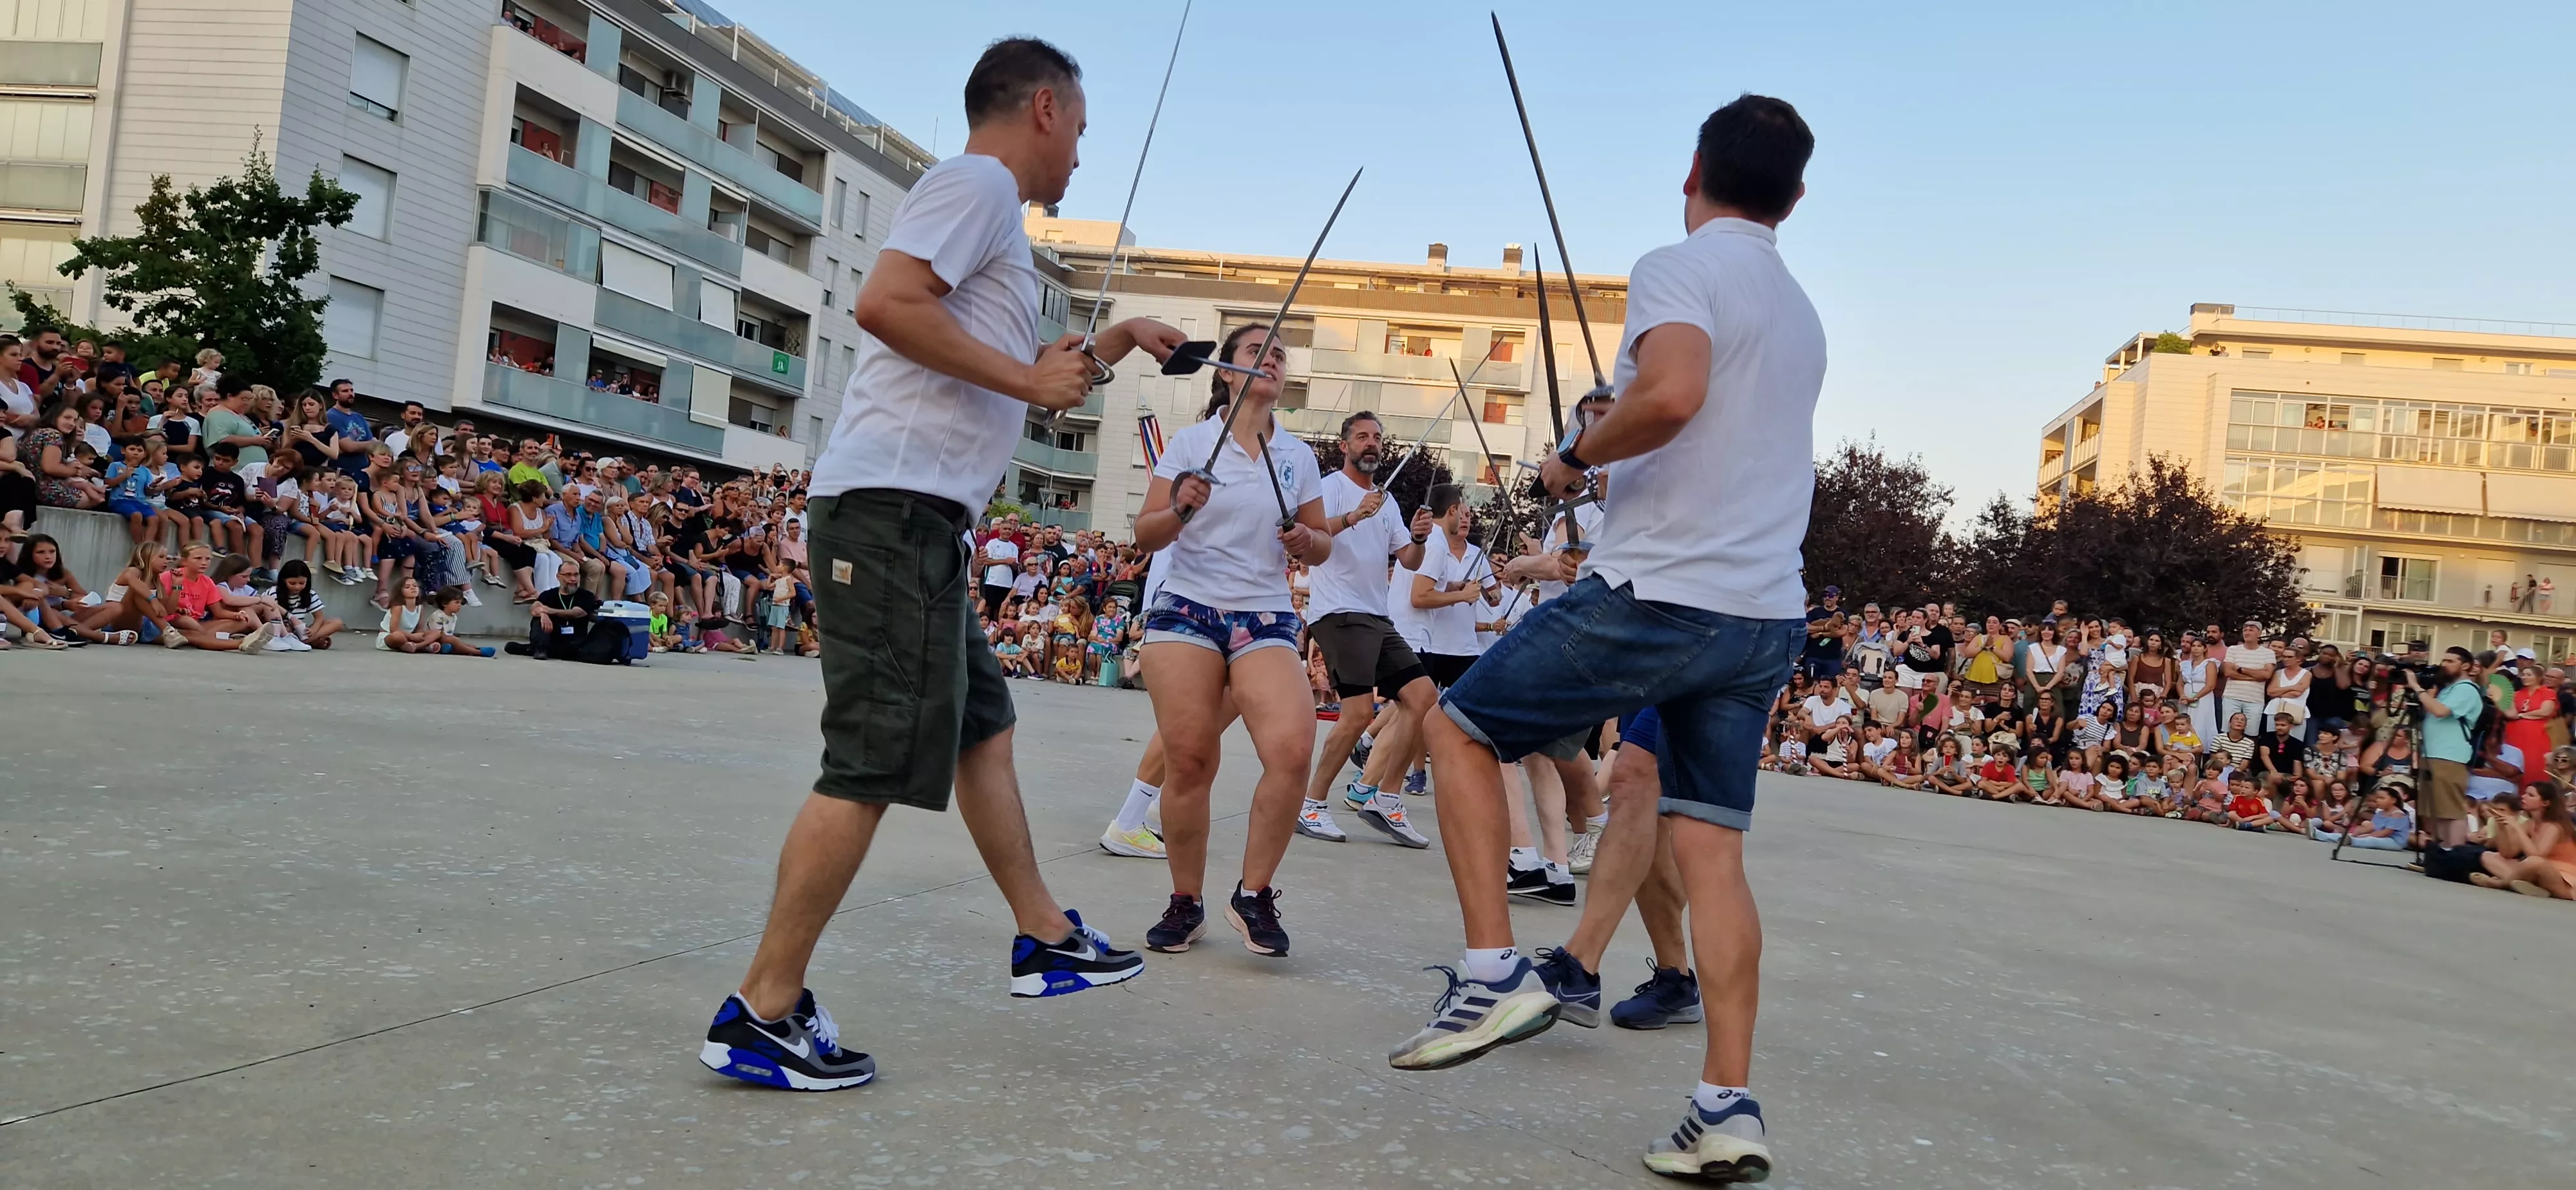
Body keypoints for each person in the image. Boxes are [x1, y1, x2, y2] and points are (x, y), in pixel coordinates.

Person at [699, 39, 1182, 1093]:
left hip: (924, 522)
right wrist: (1028, 372)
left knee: (984, 729)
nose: (1081, 160)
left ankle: (1044, 933)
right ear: (1045, 109)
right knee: (871, 761)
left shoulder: (991, 214)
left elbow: (1014, 373)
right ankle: (763, 1010)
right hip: (892, 515)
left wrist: (1113, 343)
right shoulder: (977, 185)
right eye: (1083, 134)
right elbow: (886, 303)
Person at [1385, 95, 1820, 1184]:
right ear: (1796, 196)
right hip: (1764, 610)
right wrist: (1622, 454)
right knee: (1711, 849)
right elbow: (1705, 433)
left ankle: (1495, 971)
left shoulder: (1680, 266)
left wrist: (1577, 451)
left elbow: (1671, 394)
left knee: (1459, 728)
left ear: (1693, 169)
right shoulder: (1802, 308)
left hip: (1664, 594)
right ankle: (1727, 1102)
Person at [1130, 319, 1332, 958]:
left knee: (1293, 750)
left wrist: (1307, 542)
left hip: (1265, 616)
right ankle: (1184, 901)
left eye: (1278, 355)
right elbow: (1147, 535)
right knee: (1189, 758)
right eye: (1255, 352)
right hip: (1188, 609)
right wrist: (1181, 508)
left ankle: (1254, 892)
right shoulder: (1191, 443)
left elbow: (1321, 544)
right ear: (1226, 372)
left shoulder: (1298, 458)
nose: (1270, 361)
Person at [1294, 410, 1437, 847]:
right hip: (1338, 612)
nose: (1371, 443)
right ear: (1345, 446)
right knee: (1358, 713)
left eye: (1376, 436)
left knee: (1423, 696)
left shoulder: (1388, 500)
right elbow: (1311, 537)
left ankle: (1385, 798)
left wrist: (1416, 539)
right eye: (1361, 436)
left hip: (1376, 615)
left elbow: (1408, 563)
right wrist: (1354, 516)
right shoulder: (1327, 489)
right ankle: (1311, 804)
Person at [2410, 646, 2484, 848]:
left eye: (2451, 661)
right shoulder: (2448, 689)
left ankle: (2454, 854)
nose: (2444, 665)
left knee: (2451, 809)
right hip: (2434, 754)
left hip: (2450, 756)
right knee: (2437, 809)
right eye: (2444, 660)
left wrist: (2418, 688)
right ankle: (2443, 852)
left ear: (2466, 666)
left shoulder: (2466, 689)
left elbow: (2440, 711)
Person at [2468, 779, 2575, 898]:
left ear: (2545, 803)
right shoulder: (2530, 823)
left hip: (2563, 876)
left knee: (2534, 861)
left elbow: (2537, 855)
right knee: (2489, 856)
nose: (2523, 797)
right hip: (2536, 871)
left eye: (2531, 795)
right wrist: (2502, 826)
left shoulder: (2554, 826)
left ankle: (2500, 883)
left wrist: (2517, 828)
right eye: (2525, 793)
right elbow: (2508, 853)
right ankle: (2530, 887)